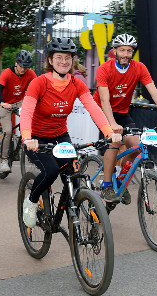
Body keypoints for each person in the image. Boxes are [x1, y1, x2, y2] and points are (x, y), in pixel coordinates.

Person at [20, 37, 121, 227]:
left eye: (68, 58)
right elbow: (26, 110)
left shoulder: (76, 84)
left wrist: (109, 132)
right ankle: (31, 201)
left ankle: (72, 215)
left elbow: (93, 108)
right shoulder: (39, 83)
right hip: (36, 137)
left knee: (73, 177)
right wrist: (27, 137)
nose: (64, 62)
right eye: (59, 57)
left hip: (60, 136)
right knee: (49, 171)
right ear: (50, 60)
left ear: (72, 60)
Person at [93, 33, 157, 203]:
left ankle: (120, 180)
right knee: (115, 141)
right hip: (102, 111)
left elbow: (155, 93)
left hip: (122, 112)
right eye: (122, 50)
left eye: (129, 50)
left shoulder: (139, 67)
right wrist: (111, 124)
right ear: (115, 51)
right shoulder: (104, 69)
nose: (126, 54)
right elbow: (104, 99)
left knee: (137, 147)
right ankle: (107, 185)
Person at [0, 50, 37, 173]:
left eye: (26, 67)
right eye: (21, 66)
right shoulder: (7, 73)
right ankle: (3, 159)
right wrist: (2, 102)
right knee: (8, 131)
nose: (23, 69)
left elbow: (38, 85)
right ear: (16, 63)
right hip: (5, 103)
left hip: (19, 103)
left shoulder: (30, 73)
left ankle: (21, 148)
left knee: (33, 123)